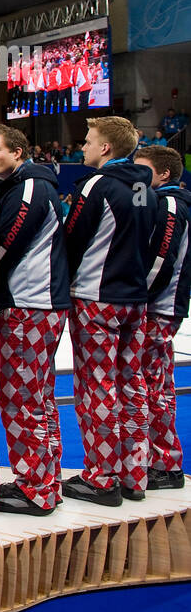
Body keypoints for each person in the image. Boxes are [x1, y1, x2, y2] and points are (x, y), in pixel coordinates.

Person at [63, 116, 155, 505]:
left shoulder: (96, 185)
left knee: (96, 386)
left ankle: (101, 478)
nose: (82, 148)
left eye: (87, 141)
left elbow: (72, 239)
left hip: (96, 298)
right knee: (132, 384)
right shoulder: (147, 190)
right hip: (135, 299)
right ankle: (135, 475)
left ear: (105, 148)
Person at [0, 123, 70, 515]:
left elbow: (5, 247)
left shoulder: (30, 187)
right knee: (38, 397)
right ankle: (47, 480)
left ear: (18, 152)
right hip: (38, 304)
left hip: (29, 305)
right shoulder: (28, 185)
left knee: (21, 398)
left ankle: (35, 488)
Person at [133, 145, 187, 491]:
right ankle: (162, 460)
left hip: (160, 306)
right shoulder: (171, 202)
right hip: (165, 304)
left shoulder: (169, 204)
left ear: (164, 174)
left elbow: (162, 258)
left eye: (143, 170)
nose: (137, 176)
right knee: (157, 383)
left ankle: (165, 463)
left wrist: (140, 295)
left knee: (154, 385)